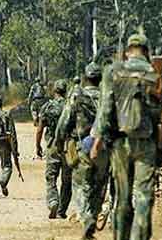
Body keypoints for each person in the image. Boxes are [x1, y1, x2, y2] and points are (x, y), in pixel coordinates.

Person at [91, 33, 162, 240]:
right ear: (146, 52)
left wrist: (98, 142)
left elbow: (105, 111)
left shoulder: (114, 72)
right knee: (143, 198)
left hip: (120, 143)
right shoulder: (157, 75)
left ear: (128, 51)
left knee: (122, 198)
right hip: (146, 144)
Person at [55, 63, 107, 240]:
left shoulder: (77, 96)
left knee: (81, 186)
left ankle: (86, 219)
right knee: (99, 186)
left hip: (82, 148)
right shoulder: (107, 97)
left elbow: (64, 123)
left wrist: (59, 141)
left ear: (86, 77)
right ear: (100, 79)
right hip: (103, 148)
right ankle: (94, 214)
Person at [35, 79, 71, 219]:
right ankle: (62, 209)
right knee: (67, 180)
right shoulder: (70, 106)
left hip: (52, 146)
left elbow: (39, 129)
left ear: (55, 91)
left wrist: (37, 145)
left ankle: (53, 200)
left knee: (51, 177)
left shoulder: (47, 107)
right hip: (68, 147)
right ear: (65, 91)